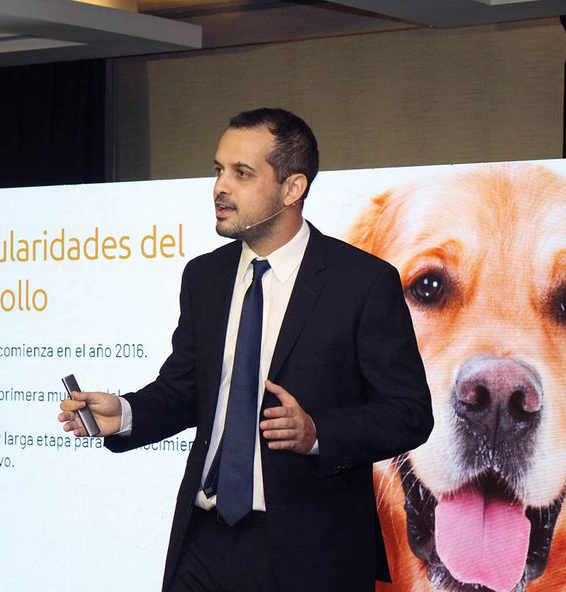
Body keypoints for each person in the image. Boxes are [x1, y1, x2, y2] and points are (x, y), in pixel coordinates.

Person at [58, 107, 433, 592]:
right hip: (203, 541)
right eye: (218, 170)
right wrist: (126, 413)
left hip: (309, 550)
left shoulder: (361, 283)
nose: (220, 187)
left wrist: (319, 432)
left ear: (292, 188)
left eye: (242, 173)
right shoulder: (205, 277)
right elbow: (186, 389)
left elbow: (409, 414)